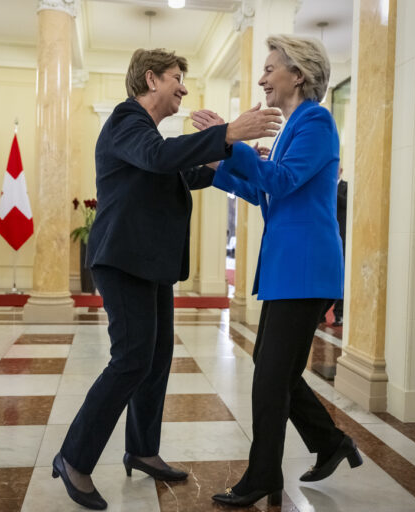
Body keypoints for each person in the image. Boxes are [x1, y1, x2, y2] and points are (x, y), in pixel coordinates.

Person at [52, 48, 282, 510]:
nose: (182, 87)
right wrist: (227, 132)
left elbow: (182, 172)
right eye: (177, 77)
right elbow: (160, 159)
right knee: (131, 360)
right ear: (151, 79)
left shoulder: (149, 135)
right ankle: (73, 458)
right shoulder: (125, 122)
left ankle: (142, 449)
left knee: (155, 359)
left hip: (149, 264)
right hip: (123, 262)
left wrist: (234, 156)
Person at [192, 35, 362, 508]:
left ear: (298, 74)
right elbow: (268, 193)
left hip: (305, 267)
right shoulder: (293, 126)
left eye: (270, 69)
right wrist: (218, 159)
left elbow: (282, 180)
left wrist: (232, 141)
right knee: (277, 373)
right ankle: (330, 443)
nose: (263, 78)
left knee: (270, 377)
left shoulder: (316, 121)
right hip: (290, 267)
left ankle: (263, 475)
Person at [322, 167, 347, 326]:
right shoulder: (323, 186)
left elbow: (345, 203)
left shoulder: (345, 187)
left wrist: (330, 188)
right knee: (323, 275)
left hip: (341, 236)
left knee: (340, 277)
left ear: (341, 170)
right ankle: (321, 313)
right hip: (324, 235)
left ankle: (339, 313)